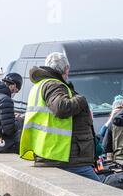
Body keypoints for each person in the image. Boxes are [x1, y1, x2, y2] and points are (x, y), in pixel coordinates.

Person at [20, 52, 100, 182]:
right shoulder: (54, 85)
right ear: (66, 69)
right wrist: (81, 99)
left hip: (50, 153)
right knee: (100, 193)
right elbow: (61, 108)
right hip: (66, 157)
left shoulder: (40, 85)